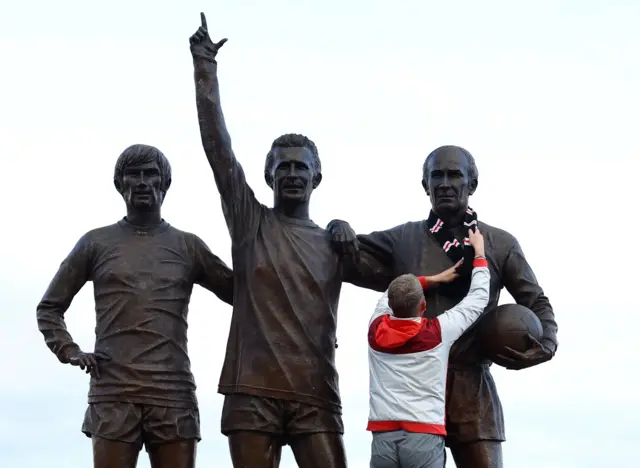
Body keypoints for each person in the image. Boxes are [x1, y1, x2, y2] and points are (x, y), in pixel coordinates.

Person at [188, 13, 388, 468]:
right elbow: (218, 147)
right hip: (251, 391)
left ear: (317, 176)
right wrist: (205, 69)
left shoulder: (334, 244)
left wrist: (350, 235)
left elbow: (392, 279)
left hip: (315, 393)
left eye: (301, 167)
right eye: (284, 166)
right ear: (268, 174)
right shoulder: (249, 221)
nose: (292, 173)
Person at [329, 145, 559, 468]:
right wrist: (337, 227)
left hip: (471, 389)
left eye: (455, 175)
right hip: (413, 393)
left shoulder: (500, 244)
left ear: (472, 184)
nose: (446, 183)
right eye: (437, 175)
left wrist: (546, 344)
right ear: (426, 185)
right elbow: (347, 255)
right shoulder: (404, 239)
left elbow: (537, 301)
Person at [36, 144, 234, 468]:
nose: (142, 182)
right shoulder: (95, 243)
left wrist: (309, 319)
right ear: (120, 184)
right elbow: (49, 307)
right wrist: (69, 350)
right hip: (113, 391)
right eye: (134, 175)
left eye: (151, 174)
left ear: (165, 184)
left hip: (173, 392)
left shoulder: (189, 246)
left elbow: (244, 295)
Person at [368, 229, 489, 468]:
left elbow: (388, 293)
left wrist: (431, 280)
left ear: (390, 306)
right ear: (423, 305)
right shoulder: (437, 333)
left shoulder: (375, 329)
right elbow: (478, 299)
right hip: (423, 436)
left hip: (382, 438)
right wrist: (480, 253)